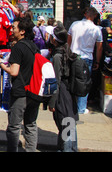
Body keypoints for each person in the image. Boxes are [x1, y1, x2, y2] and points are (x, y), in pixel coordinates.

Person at [0, 16, 40, 152]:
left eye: (14, 28)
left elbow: (14, 72)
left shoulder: (18, 47)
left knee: (14, 126)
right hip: (34, 91)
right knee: (31, 125)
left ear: (22, 31)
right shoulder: (33, 46)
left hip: (20, 93)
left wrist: (0, 63)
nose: (11, 30)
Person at [48, 22, 78, 152]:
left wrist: (52, 102)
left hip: (62, 95)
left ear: (54, 40)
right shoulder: (68, 52)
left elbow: (56, 81)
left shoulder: (57, 57)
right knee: (69, 123)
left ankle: (67, 149)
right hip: (69, 94)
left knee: (66, 125)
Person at [68, 7, 103, 114]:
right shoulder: (96, 29)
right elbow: (99, 47)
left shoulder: (74, 24)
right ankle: (81, 108)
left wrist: (67, 54)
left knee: (71, 81)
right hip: (86, 59)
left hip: (73, 57)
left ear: (85, 14)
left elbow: (68, 41)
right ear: (94, 16)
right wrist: (97, 61)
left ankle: (70, 105)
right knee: (84, 84)